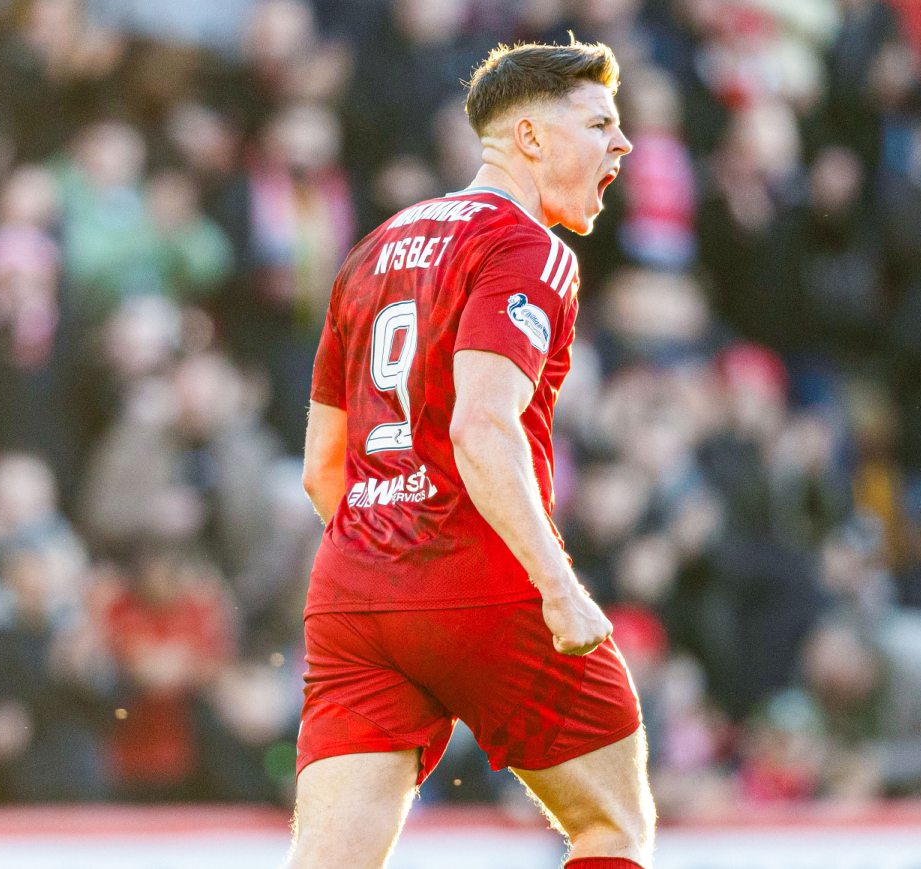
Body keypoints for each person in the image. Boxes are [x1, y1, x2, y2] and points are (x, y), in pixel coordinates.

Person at [292, 39, 653, 869]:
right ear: (528, 138)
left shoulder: (371, 250)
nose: (622, 144)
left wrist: (390, 554)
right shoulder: (529, 249)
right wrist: (558, 591)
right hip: (482, 579)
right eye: (599, 123)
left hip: (354, 591)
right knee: (613, 828)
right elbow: (481, 428)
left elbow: (322, 466)